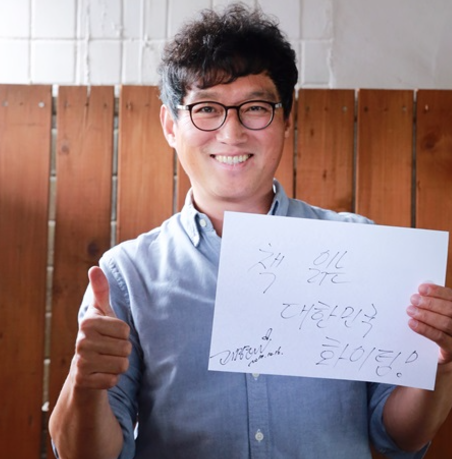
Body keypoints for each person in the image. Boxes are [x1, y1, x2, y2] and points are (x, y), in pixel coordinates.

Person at [49, 3, 452, 459]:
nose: (232, 133)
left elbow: (398, 436)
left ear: (286, 120)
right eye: (206, 108)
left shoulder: (361, 248)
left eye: (256, 108)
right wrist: (85, 383)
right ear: (170, 126)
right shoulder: (126, 276)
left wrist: (440, 367)